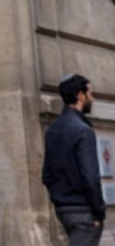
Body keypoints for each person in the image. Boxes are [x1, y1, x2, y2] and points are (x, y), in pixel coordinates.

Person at [43, 74, 106, 246]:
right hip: (84, 211)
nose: (92, 99)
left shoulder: (53, 129)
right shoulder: (83, 130)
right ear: (80, 95)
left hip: (63, 210)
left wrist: (60, 200)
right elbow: (91, 177)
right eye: (90, 94)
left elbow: (47, 175)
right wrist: (98, 212)